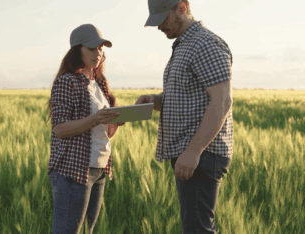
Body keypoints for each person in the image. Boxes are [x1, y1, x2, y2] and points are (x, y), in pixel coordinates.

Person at [136, 0, 233, 233]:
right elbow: (187, 96)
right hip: (192, 153)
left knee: (197, 229)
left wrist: (193, 151)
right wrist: (155, 100)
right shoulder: (185, 44)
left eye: (163, 19)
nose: (159, 27)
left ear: (182, 8)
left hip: (201, 153)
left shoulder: (206, 44)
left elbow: (222, 101)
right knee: (194, 226)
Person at [47, 24, 124, 234]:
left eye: (100, 48)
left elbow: (104, 133)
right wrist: (96, 118)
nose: (97, 53)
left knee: (87, 231)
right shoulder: (67, 82)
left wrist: (115, 122)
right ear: (77, 50)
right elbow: (60, 129)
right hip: (74, 171)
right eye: (92, 48)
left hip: (99, 169)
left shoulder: (100, 84)